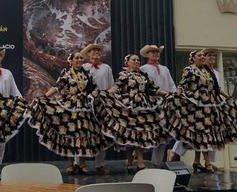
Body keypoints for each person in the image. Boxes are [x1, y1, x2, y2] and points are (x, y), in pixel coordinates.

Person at [27, 51, 110, 174]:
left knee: (83, 134)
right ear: (71, 61)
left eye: (81, 58)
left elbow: (93, 89)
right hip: (70, 105)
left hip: (84, 107)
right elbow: (57, 87)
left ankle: (81, 163)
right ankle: (71, 163)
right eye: (76, 58)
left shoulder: (87, 74)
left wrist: (101, 97)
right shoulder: (66, 74)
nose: (79, 60)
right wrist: (44, 97)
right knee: (70, 134)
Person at [167, 50, 237, 173]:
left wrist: (228, 97)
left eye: (203, 55)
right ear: (193, 58)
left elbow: (216, 88)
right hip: (196, 106)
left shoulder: (207, 71)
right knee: (203, 133)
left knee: (202, 134)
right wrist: (176, 97)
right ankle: (207, 162)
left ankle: (197, 161)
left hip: (209, 105)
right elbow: (182, 85)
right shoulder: (189, 70)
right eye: (199, 55)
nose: (202, 57)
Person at [96, 54, 169, 172]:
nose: (136, 62)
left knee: (139, 133)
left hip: (143, 106)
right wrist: (104, 94)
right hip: (128, 106)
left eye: (138, 60)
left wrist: (168, 93)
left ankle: (140, 162)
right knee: (129, 134)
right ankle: (130, 160)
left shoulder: (144, 75)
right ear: (127, 62)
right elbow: (116, 87)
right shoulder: (124, 75)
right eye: (133, 60)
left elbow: (155, 89)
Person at [139, 44, 176, 167]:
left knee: (163, 135)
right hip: (151, 104)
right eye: (152, 52)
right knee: (148, 133)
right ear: (147, 54)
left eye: (157, 52)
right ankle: (139, 161)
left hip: (165, 103)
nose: (155, 54)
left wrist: (174, 96)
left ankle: (157, 163)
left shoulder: (165, 68)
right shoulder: (143, 69)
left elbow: (171, 84)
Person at [81, 43, 113, 175]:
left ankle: (100, 164)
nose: (96, 52)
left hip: (102, 105)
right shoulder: (83, 67)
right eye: (93, 51)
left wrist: (106, 96)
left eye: (98, 51)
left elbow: (112, 86)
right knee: (83, 133)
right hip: (86, 105)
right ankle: (79, 163)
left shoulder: (106, 68)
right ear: (88, 54)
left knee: (102, 134)